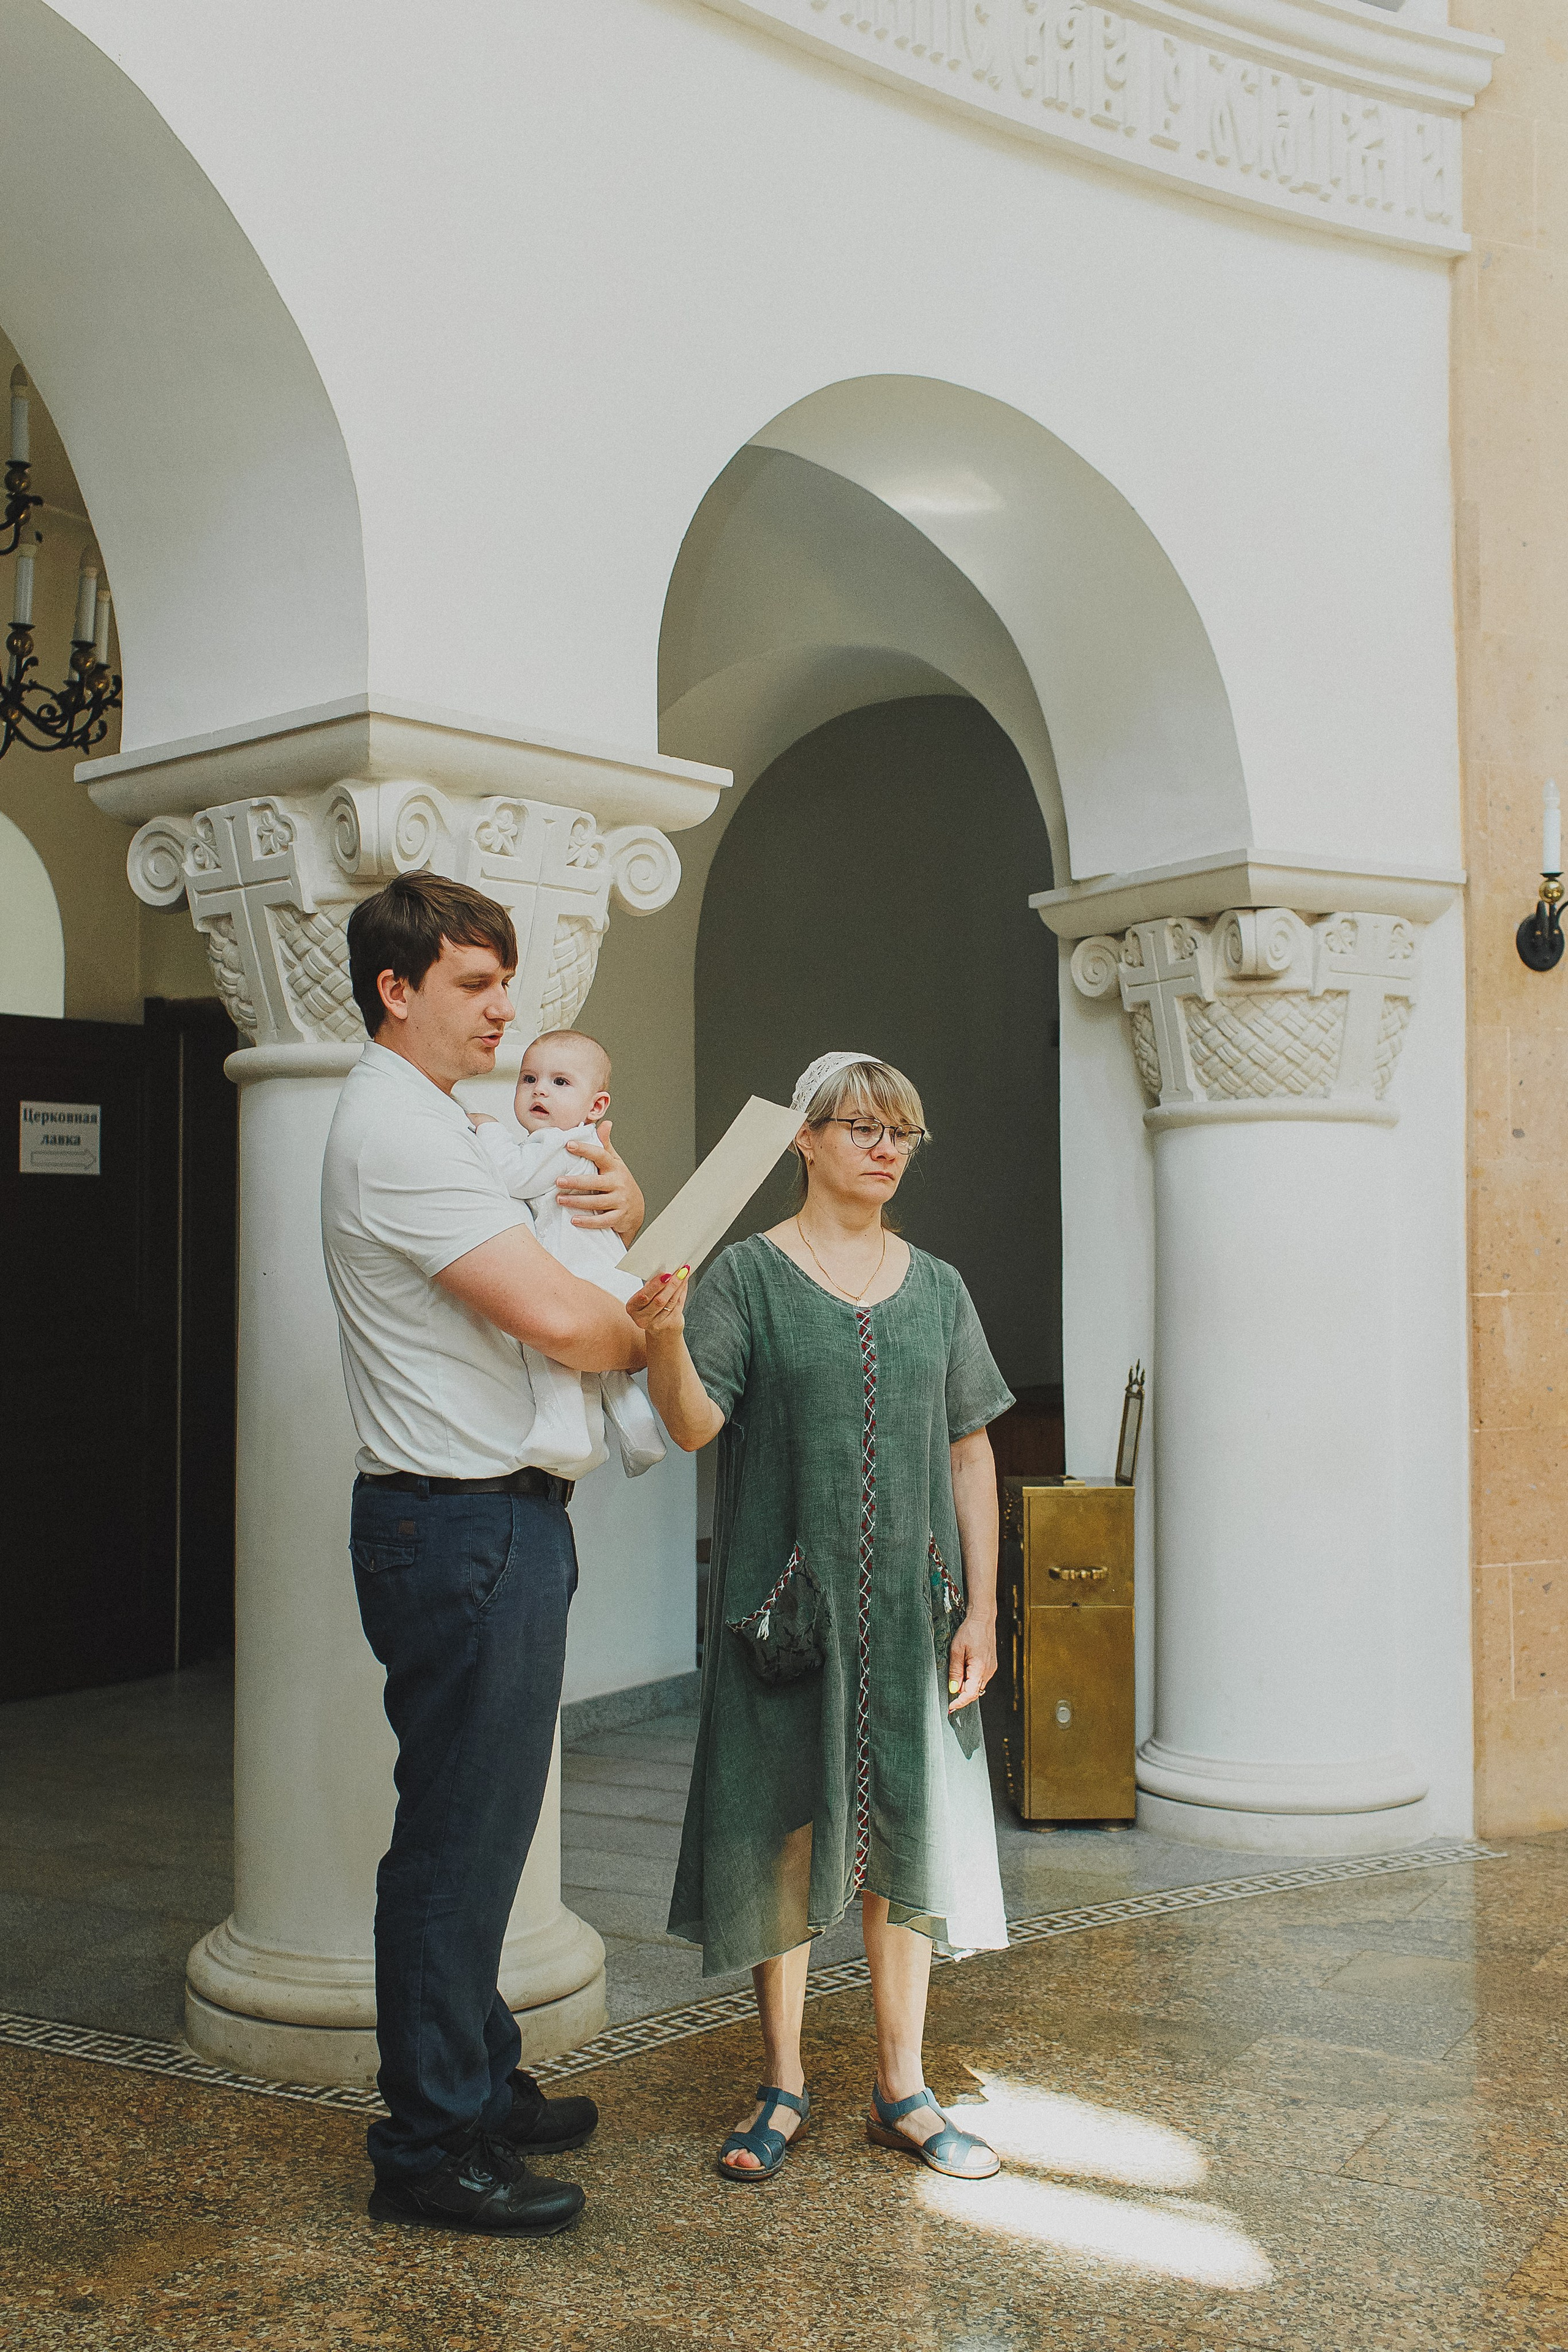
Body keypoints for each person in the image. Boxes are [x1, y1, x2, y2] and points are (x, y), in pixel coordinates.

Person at [320, 871, 649, 2237]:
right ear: (395, 990)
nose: (505, 1009)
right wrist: (629, 1326)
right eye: (473, 982)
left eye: (506, 979)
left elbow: (566, 1245)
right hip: (457, 1522)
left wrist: (614, 1216)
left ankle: (479, 2077)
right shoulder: (392, 1132)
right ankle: (431, 2147)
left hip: (484, 1517)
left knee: (482, 1829)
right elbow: (562, 1323)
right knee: (456, 1844)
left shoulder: (442, 1121)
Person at [630, 1050, 1014, 2184]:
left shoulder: (938, 1287)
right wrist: (661, 1332)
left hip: (914, 1613)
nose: (885, 1147)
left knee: (908, 1836)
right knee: (781, 1835)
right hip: (783, 1616)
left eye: (902, 1131)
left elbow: (971, 1445)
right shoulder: (747, 1277)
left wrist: (983, 1607)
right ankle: (783, 2083)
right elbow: (696, 1426)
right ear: (804, 1140)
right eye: (861, 1127)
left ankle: (904, 2087)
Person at [470, 1027, 665, 1478]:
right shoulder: (578, 1148)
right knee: (610, 1373)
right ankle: (641, 1437)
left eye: (561, 1083)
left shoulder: (563, 1143)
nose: (540, 1089)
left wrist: (491, 1131)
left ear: (596, 1107)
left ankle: (564, 1432)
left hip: (583, 1275)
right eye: (528, 1079)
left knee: (547, 1346)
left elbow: (514, 1177)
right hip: (609, 1278)